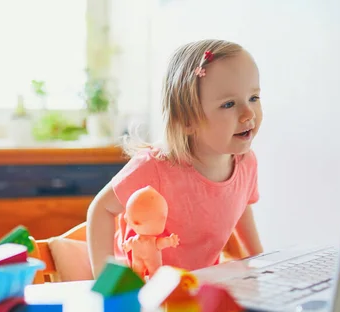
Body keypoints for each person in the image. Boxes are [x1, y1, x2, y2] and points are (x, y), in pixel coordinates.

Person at [87, 38, 264, 278]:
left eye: (254, 98)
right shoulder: (155, 168)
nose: (248, 113)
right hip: (143, 285)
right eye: (229, 104)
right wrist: (105, 281)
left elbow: (240, 204)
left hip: (197, 284)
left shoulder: (246, 162)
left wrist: (261, 259)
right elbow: (102, 209)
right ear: (187, 121)